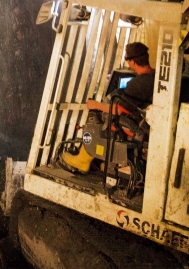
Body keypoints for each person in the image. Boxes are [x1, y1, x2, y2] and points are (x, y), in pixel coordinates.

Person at [60, 42, 155, 173]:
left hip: (137, 128)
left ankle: (83, 160)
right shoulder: (154, 77)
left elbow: (119, 110)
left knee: (98, 116)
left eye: (127, 59)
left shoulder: (138, 83)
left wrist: (96, 105)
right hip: (146, 123)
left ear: (132, 61)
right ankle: (105, 161)